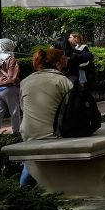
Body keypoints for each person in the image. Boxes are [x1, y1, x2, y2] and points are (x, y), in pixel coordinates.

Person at [19, 47, 74, 186]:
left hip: (28, 134)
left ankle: (22, 191)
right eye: (63, 58)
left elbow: (22, 107)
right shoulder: (63, 81)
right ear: (57, 63)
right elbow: (72, 111)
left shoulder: (25, 81)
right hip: (55, 135)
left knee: (30, 164)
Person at [0, 38, 23, 141]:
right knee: (14, 111)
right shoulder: (10, 59)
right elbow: (12, 77)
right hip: (8, 89)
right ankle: (16, 133)